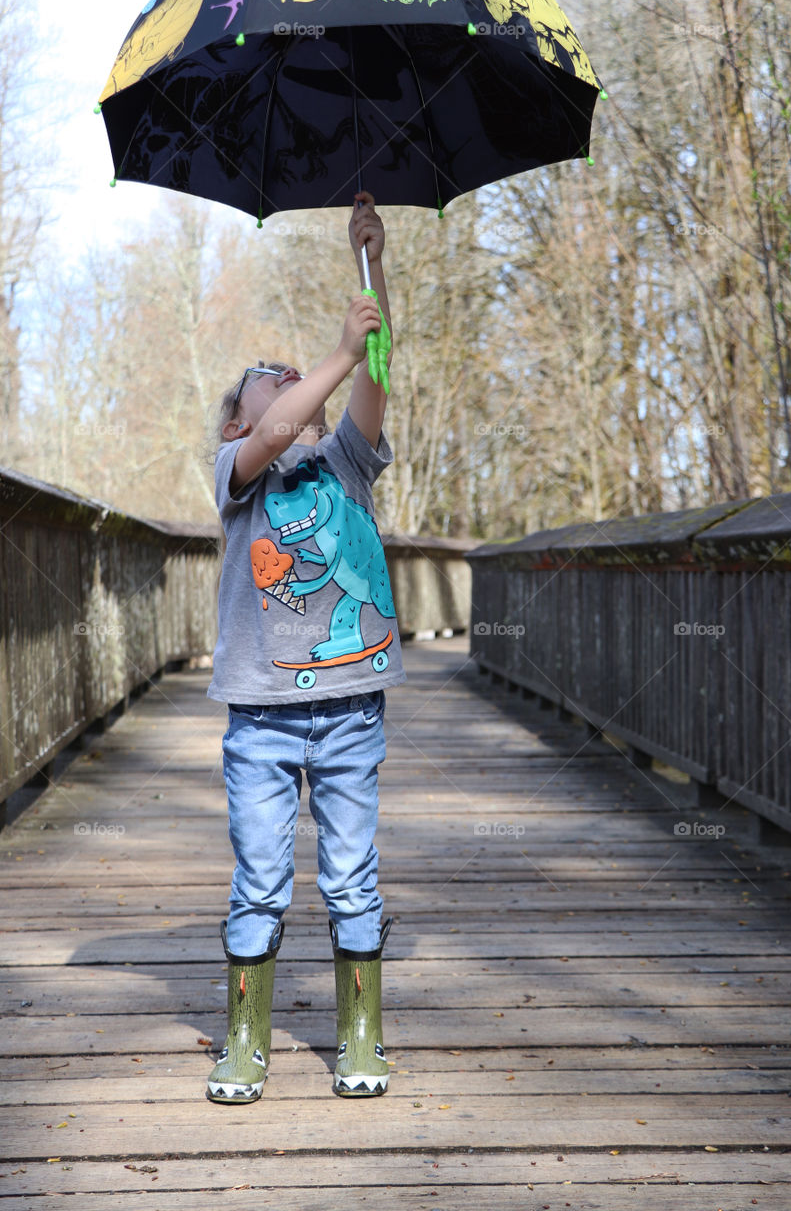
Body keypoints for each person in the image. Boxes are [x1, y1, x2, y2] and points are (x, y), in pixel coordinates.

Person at [205, 192, 405, 1104]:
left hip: (350, 711)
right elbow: (284, 424)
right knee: (259, 877)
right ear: (237, 422)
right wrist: (328, 352)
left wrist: (373, 265)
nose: (287, 383)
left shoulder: (345, 463)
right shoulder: (238, 474)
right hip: (261, 718)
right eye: (266, 379)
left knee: (352, 875)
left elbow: (373, 377)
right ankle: (246, 1043)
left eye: (294, 375)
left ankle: (360, 1035)